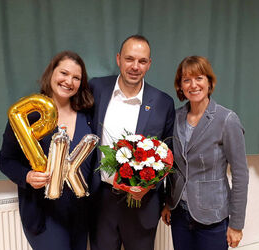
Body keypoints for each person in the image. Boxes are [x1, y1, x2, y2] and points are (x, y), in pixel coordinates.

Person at [0, 51, 94, 250]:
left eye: (76, 77)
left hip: (79, 213)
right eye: (64, 73)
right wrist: (27, 176)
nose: (69, 81)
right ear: (51, 73)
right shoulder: (28, 115)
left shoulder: (87, 116)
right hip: (44, 213)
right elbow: (5, 160)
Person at [88, 35, 175, 250]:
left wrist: (150, 185)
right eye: (129, 59)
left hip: (142, 203)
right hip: (101, 200)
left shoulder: (163, 103)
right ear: (118, 59)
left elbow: (168, 155)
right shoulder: (96, 89)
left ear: (149, 64)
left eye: (142, 61)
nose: (135, 66)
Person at [161, 56, 249, 250]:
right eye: (186, 80)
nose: (193, 85)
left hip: (213, 218)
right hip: (179, 215)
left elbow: (241, 175)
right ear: (180, 86)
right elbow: (173, 166)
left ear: (209, 82)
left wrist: (236, 224)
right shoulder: (175, 117)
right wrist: (168, 203)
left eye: (199, 78)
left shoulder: (227, 119)